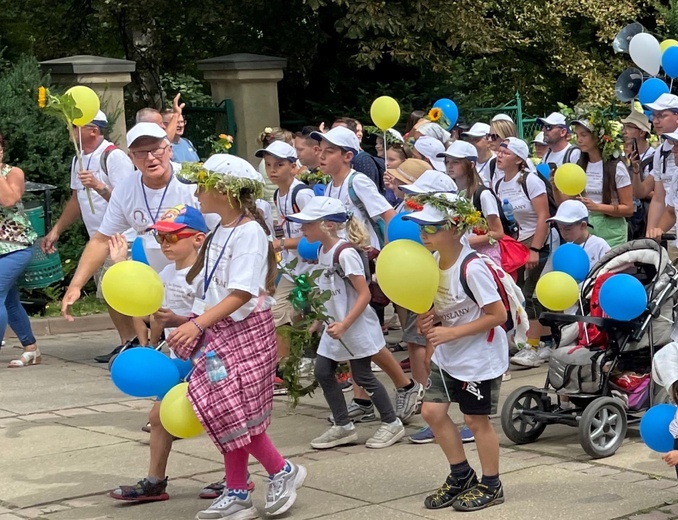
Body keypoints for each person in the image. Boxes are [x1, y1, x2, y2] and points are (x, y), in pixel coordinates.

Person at [167, 154, 305, 520]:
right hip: (218, 330)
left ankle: (273, 474)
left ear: (224, 191)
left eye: (203, 185)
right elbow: (213, 291)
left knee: (232, 410)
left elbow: (242, 292)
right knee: (228, 410)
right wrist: (188, 320)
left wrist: (197, 325)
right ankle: (240, 488)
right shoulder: (219, 232)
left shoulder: (249, 233)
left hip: (244, 331)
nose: (196, 192)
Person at [108, 205, 236, 502]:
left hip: (209, 358)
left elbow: (213, 320)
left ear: (198, 239)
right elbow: (152, 311)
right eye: (161, 238)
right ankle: (155, 481)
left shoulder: (207, 275)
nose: (165, 244)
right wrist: (154, 348)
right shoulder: (164, 273)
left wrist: (177, 321)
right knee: (158, 416)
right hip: (178, 360)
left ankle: (235, 477)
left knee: (222, 418)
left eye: (172, 237)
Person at [311, 126, 424, 421]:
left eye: (329, 151)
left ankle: (406, 385)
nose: (321, 156)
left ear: (348, 156)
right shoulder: (332, 185)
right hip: (346, 265)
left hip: (365, 263)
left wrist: (387, 257)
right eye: (320, 150)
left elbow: (388, 216)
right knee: (358, 335)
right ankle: (362, 400)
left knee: (367, 335)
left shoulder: (356, 182)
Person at [403, 193, 507, 512]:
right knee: (432, 412)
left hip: (478, 357)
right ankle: (461, 475)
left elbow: (498, 315)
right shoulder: (433, 262)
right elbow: (443, 307)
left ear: (454, 228)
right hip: (449, 354)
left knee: (476, 421)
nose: (424, 232)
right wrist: (430, 318)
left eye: (431, 227)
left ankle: (492, 484)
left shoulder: (472, 268)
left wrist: (449, 332)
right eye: (422, 226)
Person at [287, 197, 406, 449]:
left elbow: (364, 294)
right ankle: (343, 426)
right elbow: (326, 289)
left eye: (307, 223)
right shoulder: (322, 250)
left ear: (328, 225)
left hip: (354, 325)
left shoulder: (346, 253)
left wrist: (345, 324)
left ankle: (391, 422)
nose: (302, 229)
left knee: (362, 375)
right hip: (335, 326)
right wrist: (319, 320)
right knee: (323, 372)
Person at [60, 123, 205, 328]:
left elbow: (218, 231)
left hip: (198, 279)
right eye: (141, 153)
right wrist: (75, 285)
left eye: (156, 149)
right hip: (156, 282)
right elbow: (101, 240)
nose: (150, 158)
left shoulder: (193, 182)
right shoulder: (126, 189)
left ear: (169, 150)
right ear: (131, 157)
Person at [41, 111, 138, 361]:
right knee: (109, 294)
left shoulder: (113, 157)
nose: (70, 131)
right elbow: (76, 199)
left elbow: (126, 201)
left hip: (121, 238)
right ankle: (127, 341)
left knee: (121, 293)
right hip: (99, 238)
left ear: (93, 131)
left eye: (75, 127)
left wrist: (99, 186)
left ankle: (137, 342)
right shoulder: (79, 159)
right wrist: (56, 230)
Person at [255, 140, 314, 395]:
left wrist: (279, 244)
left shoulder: (302, 193)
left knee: (286, 313)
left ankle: (284, 369)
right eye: (269, 165)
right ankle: (291, 366)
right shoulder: (279, 194)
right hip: (294, 265)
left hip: (311, 265)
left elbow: (316, 234)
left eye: (279, 164)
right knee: (294, 314)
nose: (272, 170)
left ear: (293, 166)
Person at [493, 138, 551, 368]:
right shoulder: (498, 183)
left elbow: (543, 217)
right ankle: (529, 339)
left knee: (531, 294)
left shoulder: (530, 181)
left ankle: (535, 345)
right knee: (515, 295)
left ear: (518, 159)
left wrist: (535, 249)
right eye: (499, 151)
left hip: (538, 243)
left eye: (505, 153)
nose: (499, 156)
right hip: (516, 245)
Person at [0, 133, 40, 368]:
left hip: (15, 246)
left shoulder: (13, 173)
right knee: (10, 300)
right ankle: (31, 348)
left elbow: (9, 200)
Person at [571, 116, 633, 247]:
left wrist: (597, 207)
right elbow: (567, 202)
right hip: (586, 230)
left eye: (584, 135)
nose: (579, 140)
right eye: (577, 135)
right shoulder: (579, 165)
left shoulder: (616, 167)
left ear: (598, 137)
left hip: (613, 233)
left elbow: (628, 209)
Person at [643, 94, 678, 257]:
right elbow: (659, 198)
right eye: (653, 116)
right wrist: (651, 235)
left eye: (661, 115)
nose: (655, 121)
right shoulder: (660, 152)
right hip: (672, 234)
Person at [623, 110, 655, 240]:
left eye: (629, 127)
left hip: (646, 218)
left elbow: (659, 193)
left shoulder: (654, 157)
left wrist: (628, 190)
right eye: (624, 127)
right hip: (629, 218)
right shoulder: (624, 157)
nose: (624, 131)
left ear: (642, 133)